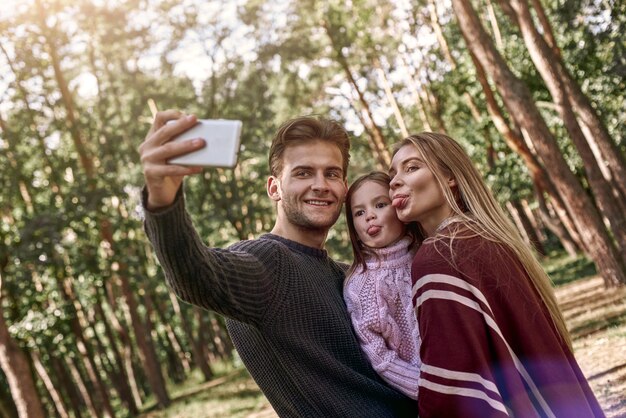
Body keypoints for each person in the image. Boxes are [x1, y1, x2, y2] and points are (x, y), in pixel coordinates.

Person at [138, 111, 416, 417]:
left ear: (344, 188)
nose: (321, 184)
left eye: (332, 173)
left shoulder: (346, 275)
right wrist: (163, 202)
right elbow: (197, 277)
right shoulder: (266, 263)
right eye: (303, 173)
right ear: (274, 188)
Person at [388, 132, 605, 417]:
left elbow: (453, 385)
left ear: (450, 177)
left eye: (412, 167)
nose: (394, 181)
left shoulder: (439, 255)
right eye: (392, 174)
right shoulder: (495, 240)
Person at [343, 171, 422, 400]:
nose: (369, 216)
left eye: (379, 204)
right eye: (359, 212)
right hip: (428, 394)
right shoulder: (360, 286)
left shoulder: (428, 253)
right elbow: (380, 357)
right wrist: (428, 388)